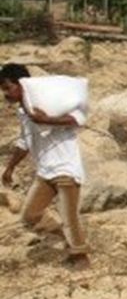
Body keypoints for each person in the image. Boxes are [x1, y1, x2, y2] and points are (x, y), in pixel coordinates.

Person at [0, 63, 91, 269]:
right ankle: (66, 238)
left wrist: (47, 119)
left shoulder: (48, 104)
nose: (5, 94)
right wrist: (10, 167)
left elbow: (78, 119)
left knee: (69, 215)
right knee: (30, 214)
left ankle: (80, 257)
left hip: (65, 166)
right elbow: (25, 142)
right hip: (45, 171)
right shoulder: (23, 113)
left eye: (7, 88)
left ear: (21, 84)